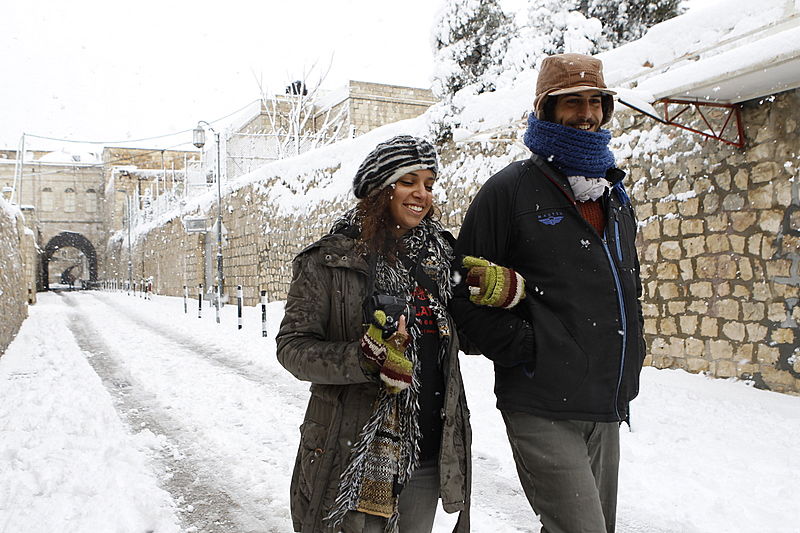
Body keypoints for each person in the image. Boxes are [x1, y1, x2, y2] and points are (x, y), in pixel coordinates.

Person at [450, 53, 645, 533]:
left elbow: (626, 288)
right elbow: (461, 292)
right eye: (572, 102)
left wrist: (631, 354)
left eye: (596, 102)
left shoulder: (613, 196)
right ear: (545, 110)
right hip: (541, 400)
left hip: (605, 401)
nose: (587, 113)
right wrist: (530, 351)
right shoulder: (509, 192)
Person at [277, 135, 471, 533]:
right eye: (408, 181)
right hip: (353, 449)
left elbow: (463, 339)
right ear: (380, 187)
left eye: (429, 185)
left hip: (427, 451)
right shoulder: (329, 261)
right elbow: (293, 347)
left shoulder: (444, 260)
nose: (422, 194)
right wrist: (364, 359)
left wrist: (497, 291)